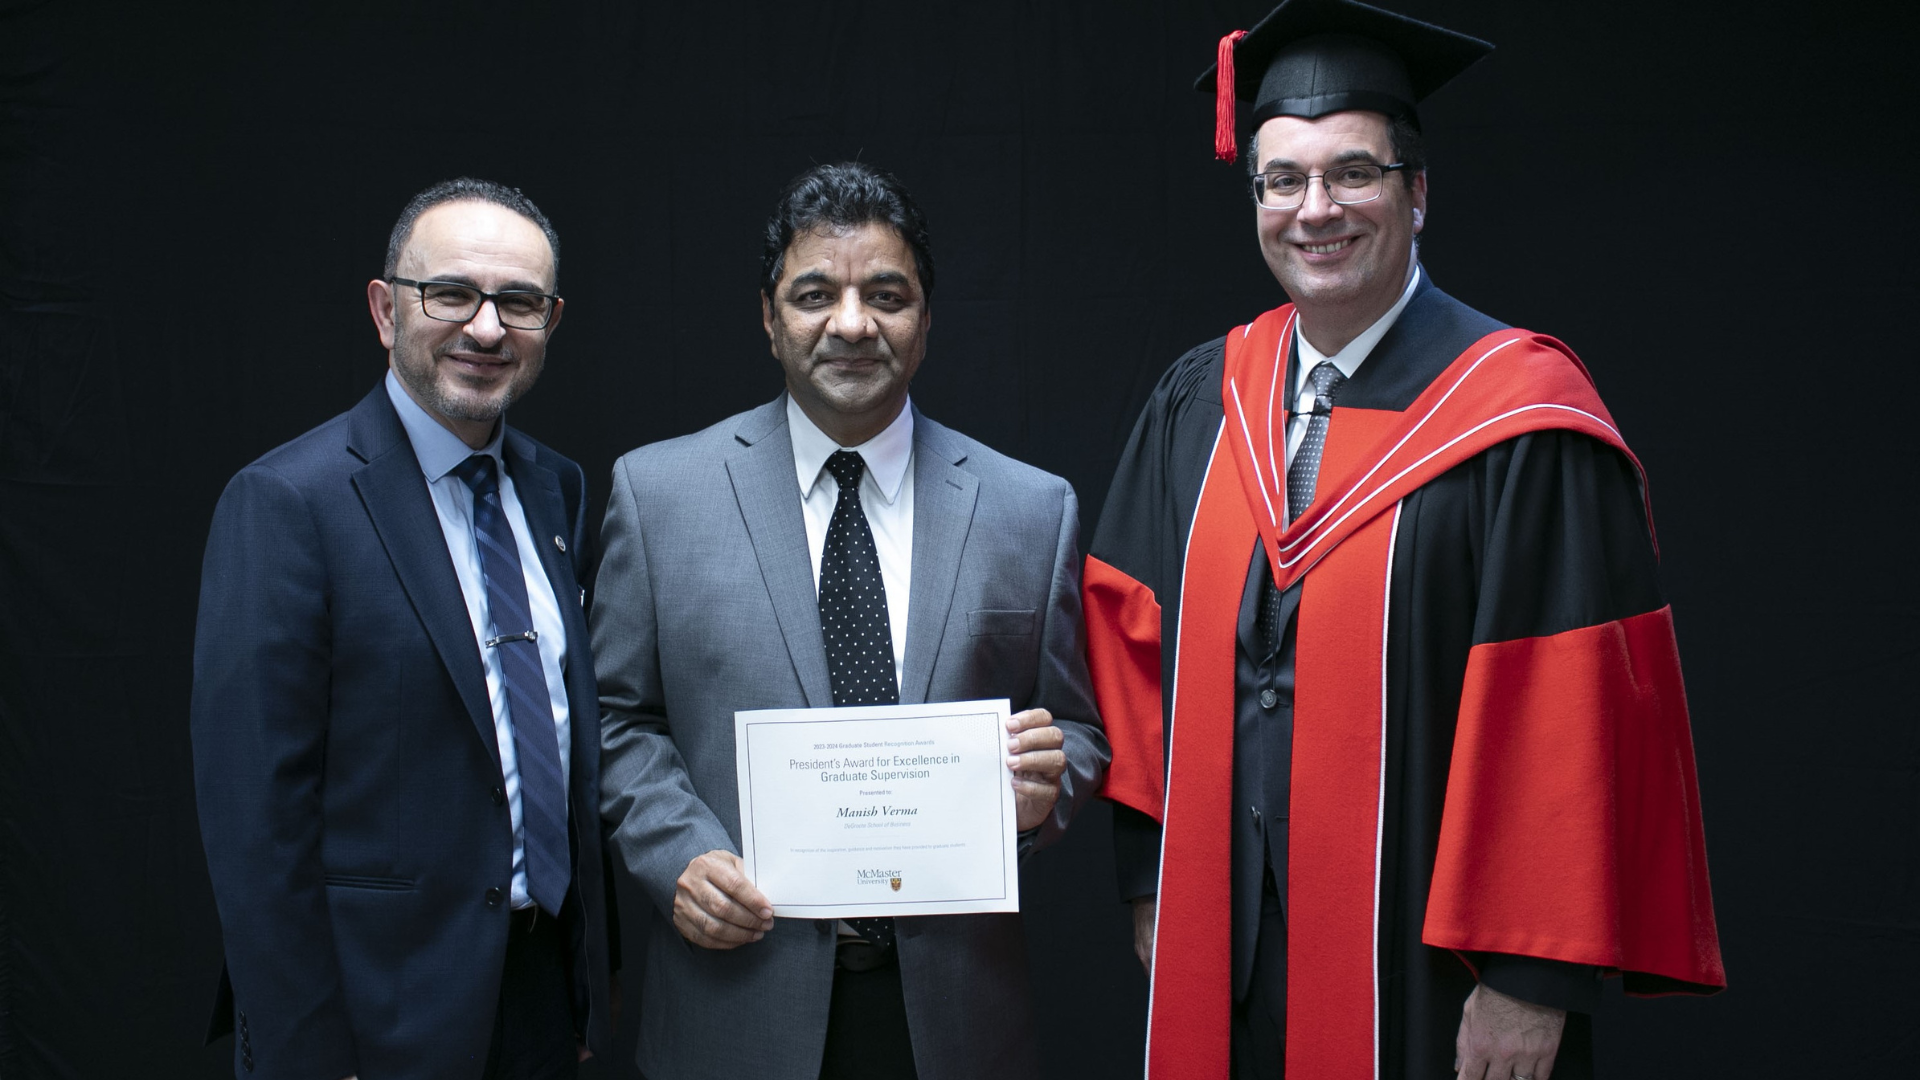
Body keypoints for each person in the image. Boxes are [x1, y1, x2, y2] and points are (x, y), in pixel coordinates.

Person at [1081, 2, 1726, 1078]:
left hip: (1434, 971)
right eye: (1280, 179)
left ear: (1416, 194)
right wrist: (1152, 881)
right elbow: (1130, 652)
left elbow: (1565, 712)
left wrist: (1530, 979)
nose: (1313, 209)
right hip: (1227, 945)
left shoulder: (1518, 416)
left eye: (1353, 174)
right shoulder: (1204, 399)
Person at [592, 161, 1108, 1080]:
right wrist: (676, 856)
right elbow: (616, 716)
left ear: (925, 319)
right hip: (734, 1004)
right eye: (815, 294)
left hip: (954, 1021)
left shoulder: (1031, 508)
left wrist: (1046, 792)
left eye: (886, 295)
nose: (853, 324)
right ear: (768, 316)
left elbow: (1078, 728)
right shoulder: (658, 494)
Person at [190, 178, 613, 1080]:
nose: (487, 329)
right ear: (386, 311)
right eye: (451, 293)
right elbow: (255, 828)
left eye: (519, 302)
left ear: (552, 320)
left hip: (536, 1000)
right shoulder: (287, 503)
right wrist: (311, 1055)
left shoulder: (556, 490)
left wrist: (577, 1000)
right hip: (370, 1019)